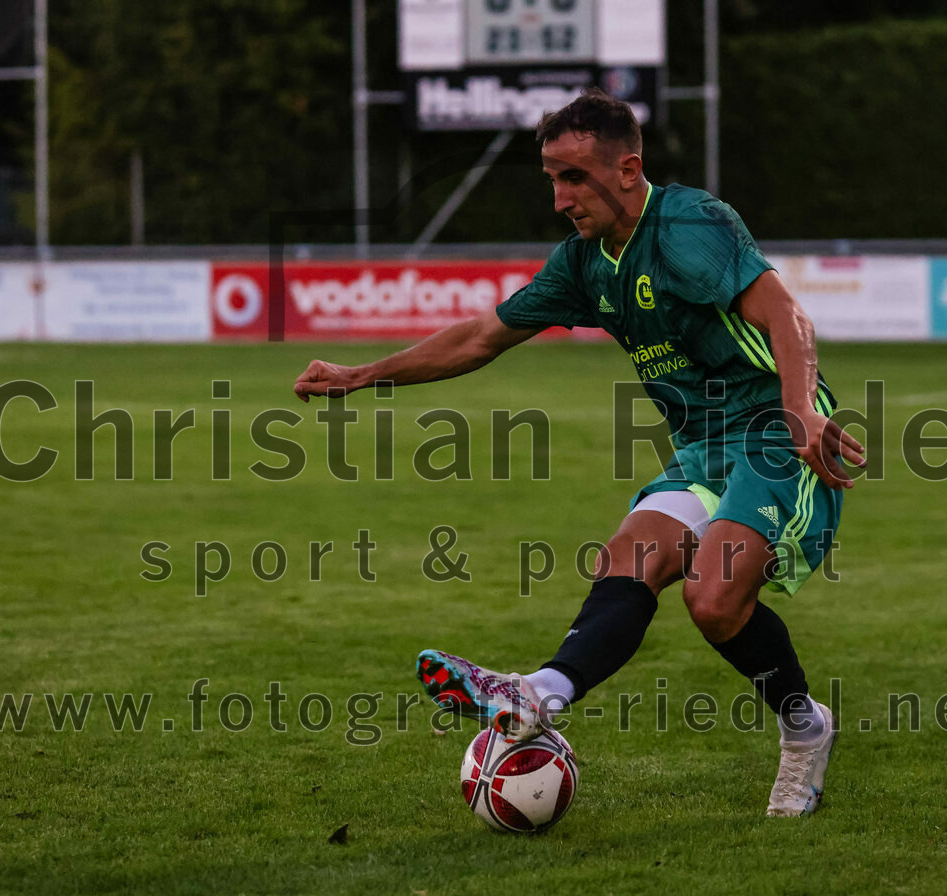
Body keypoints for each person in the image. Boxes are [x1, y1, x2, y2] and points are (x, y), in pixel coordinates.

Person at [294, 89, 865, 818]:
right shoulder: (584, 263)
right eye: (552, 179)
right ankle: (537, 693)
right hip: (702, 450)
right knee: (630, 553)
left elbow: (787, 314)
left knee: (713, 600)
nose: (561, 197)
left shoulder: (690, 224)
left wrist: (797, 411)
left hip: (777, 437)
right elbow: (479, 337)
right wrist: (363, 374)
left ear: (627, 169)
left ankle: (803, 728)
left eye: (573, 177)